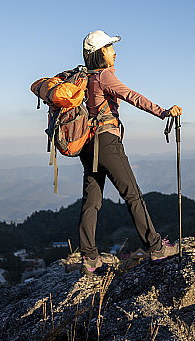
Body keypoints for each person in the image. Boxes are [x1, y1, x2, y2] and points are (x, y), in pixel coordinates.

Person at [78, 30, 182, 272]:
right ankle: (156, 247)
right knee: (133, 195)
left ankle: (90, 257)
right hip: (107, 144)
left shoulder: (86, 78)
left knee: (91, 201)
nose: (114, 52)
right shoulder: (104, 76)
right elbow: (131, 96)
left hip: (88, 145)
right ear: (101, 52)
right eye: (110, 48)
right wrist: (163, 112)